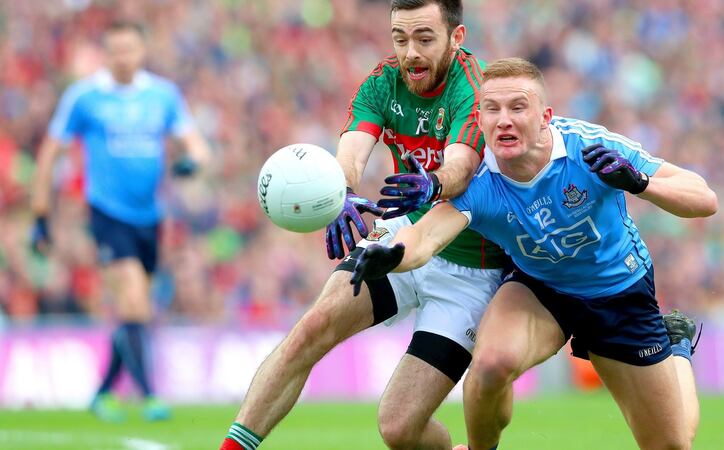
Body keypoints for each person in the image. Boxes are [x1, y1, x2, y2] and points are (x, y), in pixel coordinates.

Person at [351, 57, 717, 450]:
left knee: (672, 444)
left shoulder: (586, 147)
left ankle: (676, 347)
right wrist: (390, 256)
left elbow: (704, 199)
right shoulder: (478, 179)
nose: (503, 120)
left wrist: (640, 182)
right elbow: (424, 238)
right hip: (541, 290)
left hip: (619, 293)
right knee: (490, 366)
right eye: (492, 109)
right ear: (480, 119)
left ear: (545, 116)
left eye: (517, 107)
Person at [220, 1, 508, 449]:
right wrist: (341, 193)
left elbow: (461, 166)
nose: (409, 52)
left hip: (472, 272)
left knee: (398, 429)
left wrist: (432, 183)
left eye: (424, 38)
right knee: (313, 327)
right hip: (404, 233)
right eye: (399, 38)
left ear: (457, 37)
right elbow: (352, 153)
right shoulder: (382, 81)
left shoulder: (476, 88)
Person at [30, 20, 211, 422]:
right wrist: (41, 215)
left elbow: (197, 146)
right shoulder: (85, 98)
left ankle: (101, 393)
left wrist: (190, 163)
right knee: (132, 302)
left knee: (137, 309)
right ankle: (148, 396)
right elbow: (50, 153)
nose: (122, 58)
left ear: (141, 51)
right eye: (115, 50)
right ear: (105, 53)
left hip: (150, 217)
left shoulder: (162, 95)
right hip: (107, 213)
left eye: (129, 49)